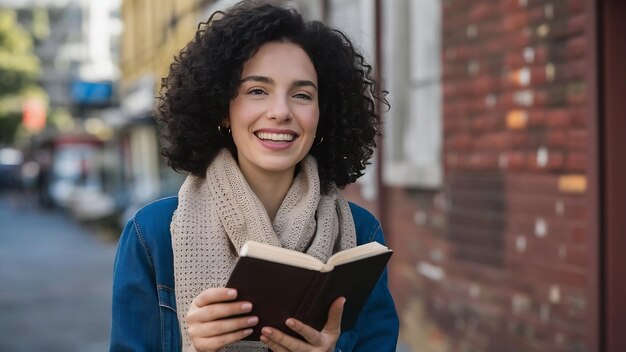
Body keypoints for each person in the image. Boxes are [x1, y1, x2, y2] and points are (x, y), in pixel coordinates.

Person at [109, 1, 398, 351]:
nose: (280, 112)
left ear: (323, 114)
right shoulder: (150, 234)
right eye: (257, 90)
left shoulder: (362, 234)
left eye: (302, 95)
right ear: (223, 111)